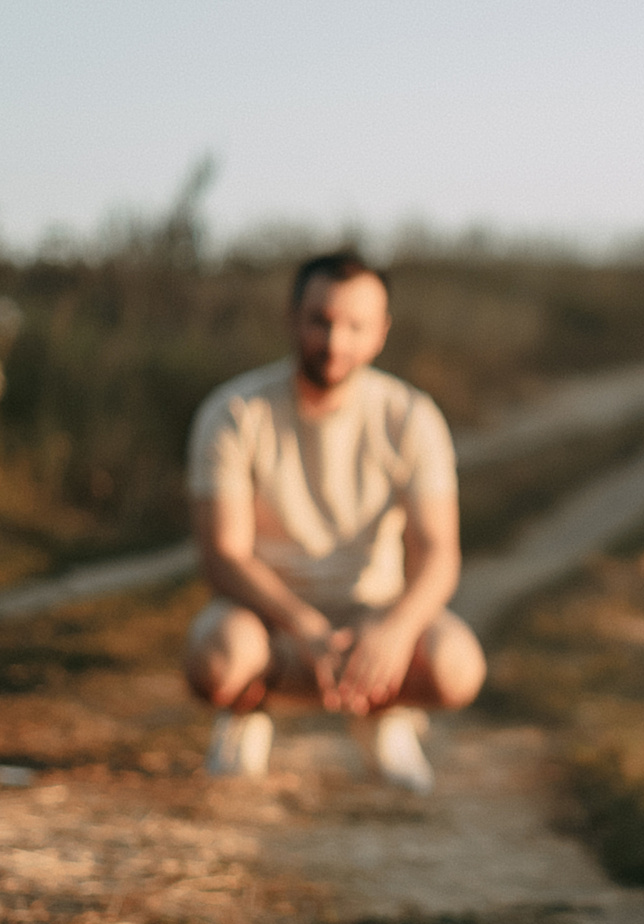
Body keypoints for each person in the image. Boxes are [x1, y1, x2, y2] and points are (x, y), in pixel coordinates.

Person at [183, 251, 486, 793]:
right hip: (269, 617)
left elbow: (439, 553)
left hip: (372, 611)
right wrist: (305, 628)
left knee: (458, 668)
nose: (335, 342)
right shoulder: (234, 413)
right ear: (292, 317)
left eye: (355, 326)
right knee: (218, 660)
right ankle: (248, 711)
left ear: (382, 333)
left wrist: (392, 633)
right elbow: (223, 556)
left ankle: (380, 712)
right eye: (320, 321)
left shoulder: (411, 417)